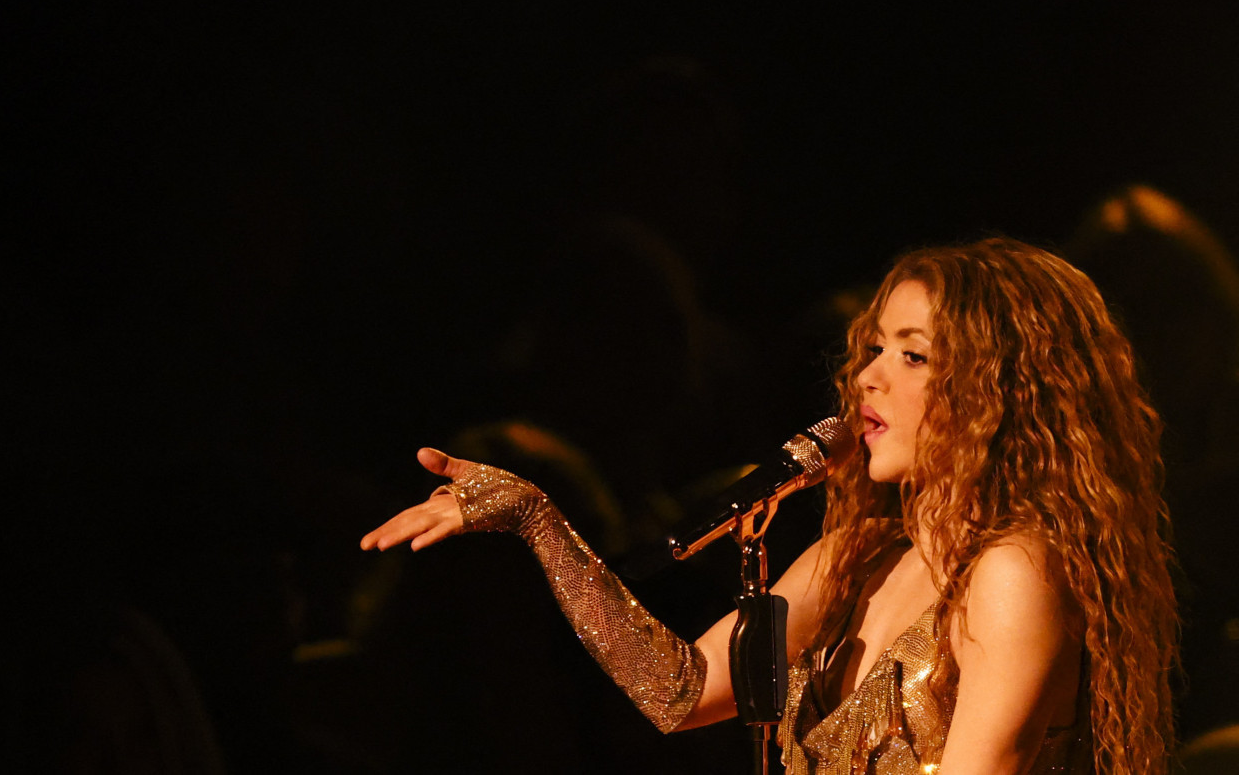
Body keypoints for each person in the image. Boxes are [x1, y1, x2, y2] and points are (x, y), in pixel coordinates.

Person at [361, 238, 1177, 774]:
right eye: (874, 348)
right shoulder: (857, 555)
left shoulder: (1011, 572)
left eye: (913, 354)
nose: (867, 376)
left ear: (999, 389)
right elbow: (678, 692)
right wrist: (537, 520)